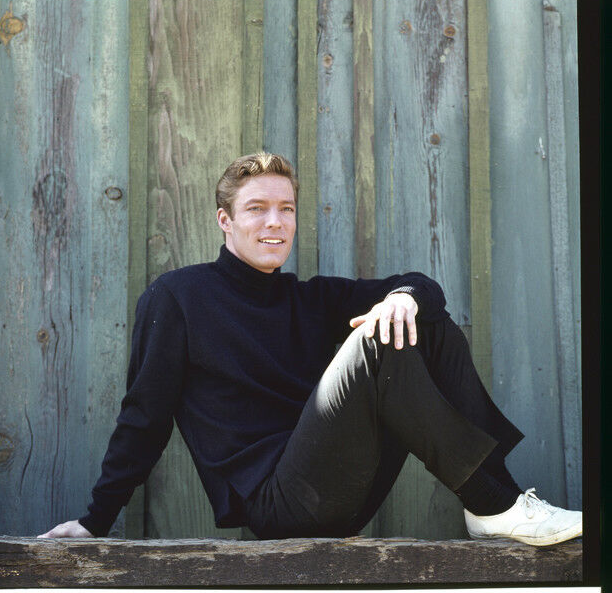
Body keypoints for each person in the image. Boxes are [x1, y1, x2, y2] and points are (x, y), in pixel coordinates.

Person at [39, 152, 582, 546]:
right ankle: (495, 504)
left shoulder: (312, 299)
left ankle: (497, 502)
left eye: (286, 209)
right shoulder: (179, 297)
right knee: (378, 338)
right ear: (225, 220)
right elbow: (145, 418)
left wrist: (403, 297)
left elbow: (424, 288)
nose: (274, 222)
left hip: (348, 491)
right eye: (256, 209)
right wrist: (95, 520)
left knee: (420, 319)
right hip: (279, 503)